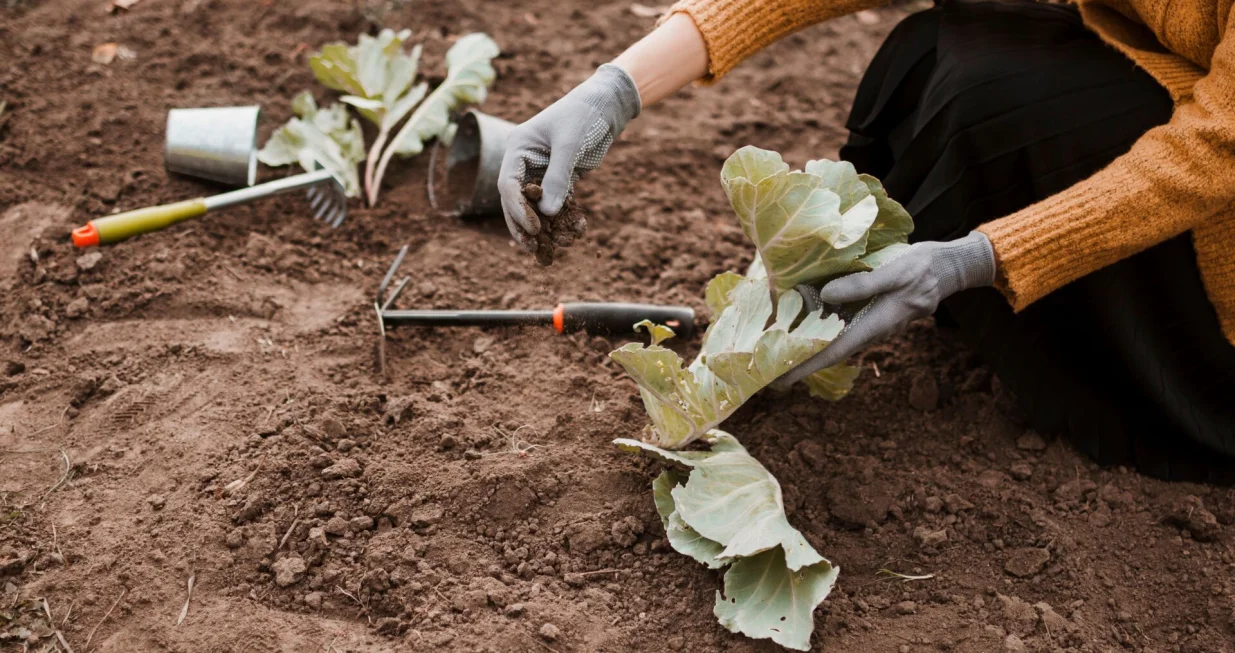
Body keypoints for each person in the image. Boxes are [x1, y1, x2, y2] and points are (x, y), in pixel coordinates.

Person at [497, 0, 1235, 481]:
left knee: (1004, 111)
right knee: (952, 60)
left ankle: (1125, 361)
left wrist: (977, 257)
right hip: (1178, 76)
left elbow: (1211, 154)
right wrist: (614, 89)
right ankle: (1008, 311)